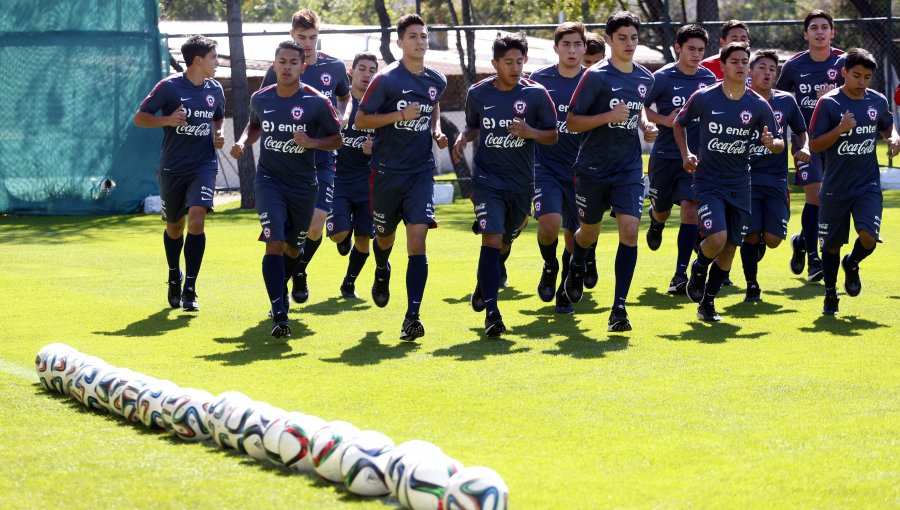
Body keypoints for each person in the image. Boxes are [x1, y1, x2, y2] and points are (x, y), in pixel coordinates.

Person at [230, 41, 342, 337]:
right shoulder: (260, 98)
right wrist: (243, 142)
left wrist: (312, 143)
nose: (287, 67)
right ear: (274, 64)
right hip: (269, 181)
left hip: (305, 185)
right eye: (282, 61)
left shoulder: (316, 101)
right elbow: (255, 125)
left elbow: (337, 139)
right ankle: (279, 312)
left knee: (294, 247)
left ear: (302, 67)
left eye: (293, 62)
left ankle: (282, 290)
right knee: (274, 241)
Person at [452, 32, 557, 336]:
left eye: (519, 61)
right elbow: (473, 125)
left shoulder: (536, 94)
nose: (515, 67)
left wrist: (530, 132)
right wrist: (463, 137)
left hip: (522, 183)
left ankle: (482, 284)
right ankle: (493, 314)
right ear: (495, 63)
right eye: (508, 62)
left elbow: (552, 135)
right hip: (487, 181)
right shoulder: (478, 93)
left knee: (506, 242)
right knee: (491, 239)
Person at [355, 14, 449, 341]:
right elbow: (362, 120)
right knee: (383, 237)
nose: (420, 42)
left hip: (421, 172)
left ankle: (413, 315)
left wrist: (435, 130)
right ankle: (382, 270)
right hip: (385, 172)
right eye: (413, 37)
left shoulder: (437, 79)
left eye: (424, 36)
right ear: (399, 43)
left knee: (418, 240)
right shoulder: (386, 80)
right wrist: (400, 115)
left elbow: (432, 105)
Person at [564, 11, 658, 332]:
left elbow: (637, 108)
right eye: (622, 38)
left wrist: (645, 126)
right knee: (588, 233)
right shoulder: (596, 76)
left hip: (628, 168)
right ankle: (577, 262)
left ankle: (619, 308)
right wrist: (607, 116)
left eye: (633, 38)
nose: (629, 43)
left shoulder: (646, 79)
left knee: (629, 231)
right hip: (592, 168)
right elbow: (572, 121)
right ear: (609, 41)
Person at [675, 42, 783, 321]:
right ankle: (698, 267)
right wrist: (686, 153)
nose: (740, 66)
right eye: (734, 61)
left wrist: (773, 144)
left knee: (731, 247)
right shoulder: (705, 96)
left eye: (744, 61)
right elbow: (679, 123)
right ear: (722, 66)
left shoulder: (758, 105)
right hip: (708, 181)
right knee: (718, 238)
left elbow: (780, 142)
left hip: (740, 183)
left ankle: (707, 303)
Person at [260, 9, 351, 304]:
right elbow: (262, 107)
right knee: (286, 235)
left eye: (313, 37)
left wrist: (343, 114)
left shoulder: (334, 67)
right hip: (286, 165)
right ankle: (284, 287)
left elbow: (345, 95)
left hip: (321, 160)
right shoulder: (280, 68)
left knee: (315, 226)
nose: (308, 43)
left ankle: (299, 270)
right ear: (291, 36)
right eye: (302, 37)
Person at [134, 35, 225, 312]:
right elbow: (140, 117)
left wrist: (218, 132)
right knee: (174, 227)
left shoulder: (215, 88)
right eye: (214, 57)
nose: (217, 63)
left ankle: (190, 289)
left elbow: (218, 115)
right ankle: (175, 275)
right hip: (172, 167)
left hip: (204, 165)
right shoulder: (169, 87)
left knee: (197, 219)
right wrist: (167, 120)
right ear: (198, 60)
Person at [808, 48, 900, 315]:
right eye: (856, 75)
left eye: (867, 77)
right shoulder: (829, 103)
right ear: (844, 73)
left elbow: (886, 124)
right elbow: (814, 145)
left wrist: (893, 137)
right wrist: (839, 129)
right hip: (835, 186)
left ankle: (853, 263)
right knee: (832, 246)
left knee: (869, 238)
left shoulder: (878, 100)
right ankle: (830, 296)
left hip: (867, 184)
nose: (862, 82)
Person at [643, 24, 717, 295]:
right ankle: (656, 220)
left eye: (700, 49)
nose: (696, 54)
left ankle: (680, 274)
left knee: (690, 209)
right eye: (691, 49)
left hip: (694, 157)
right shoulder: (661, 77)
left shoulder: (709, 79)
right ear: (678, 47)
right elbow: (640, 107)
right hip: (664, 155)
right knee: (662, 209)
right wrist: (663, 119)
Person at [775, 10, 845, 282]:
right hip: (805, 140)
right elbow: (779, 98)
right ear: (805, 34)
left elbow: (857, 93)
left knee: (828, 199)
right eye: (813, 27)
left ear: (832, 32)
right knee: (815, 195)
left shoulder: (844, 62)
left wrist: (832, 97)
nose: (819, 32)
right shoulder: (793, 66)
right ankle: (815, 258)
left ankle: (802, 241)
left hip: (837, 141)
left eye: (824, 27)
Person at [529, 22, 589, 315]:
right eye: (566, 44)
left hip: (582, 170)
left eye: (577, 44)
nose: (572, 49)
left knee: (573, 234)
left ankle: (565, 286)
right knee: (549, 224)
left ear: (584, 48)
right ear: (556, 48)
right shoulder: (539, 80)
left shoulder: (594, 80)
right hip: (546, 166)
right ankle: (549, 265)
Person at [740, 49, 809, 302]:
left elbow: (802, 131)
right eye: (762, 67)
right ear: (750, 71)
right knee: (749, 234)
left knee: (772, 240)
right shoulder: (739, 99)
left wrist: (804, 147)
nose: (767, 73)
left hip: (776, 179)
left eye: (772, 69)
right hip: (745, 177)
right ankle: (751, 285)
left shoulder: (786, 101)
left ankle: (762, 239)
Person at [328, 52, 378, 299]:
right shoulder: (338, 104)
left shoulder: (379, 105)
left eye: (372, 70)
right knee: (339, 232)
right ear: (351, 71)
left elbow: (389, 143)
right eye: (362, 69)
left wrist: (373, 150)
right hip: (338, 178)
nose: (367, 74)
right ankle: (342, 235)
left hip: (367, 181)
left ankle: (349, 283)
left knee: (363, 240)